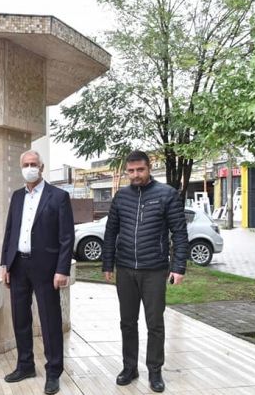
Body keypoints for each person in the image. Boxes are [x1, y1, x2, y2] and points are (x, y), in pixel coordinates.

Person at [101, 151, 188, 393]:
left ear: (149, 168)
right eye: (131, 171)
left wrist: (178, 267)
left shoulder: (167, 194)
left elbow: (180, 233)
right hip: (125, 268)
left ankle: (155, 371)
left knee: (155, 323)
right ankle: (129, 368)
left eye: (140, 169)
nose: (135, 174)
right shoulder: (121, 197)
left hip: (154, 271)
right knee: (127, 323)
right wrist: (107, 263)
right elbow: (111, 232)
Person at [0, 150, 75, 395]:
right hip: (18, 266)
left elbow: (67, 237)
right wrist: (5, 264)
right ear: (21, 167)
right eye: (26, 164)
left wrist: (62, 269)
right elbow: (10, 231)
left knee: (50, 321)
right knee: (20, 319)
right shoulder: (17, 196)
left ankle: (53, 372)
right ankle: (25, 366)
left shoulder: (58, 197)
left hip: (46, 268)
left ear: (41, 168)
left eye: (34, 164)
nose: (30, 168)